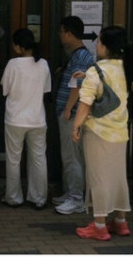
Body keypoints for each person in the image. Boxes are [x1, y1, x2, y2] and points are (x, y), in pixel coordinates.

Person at [71, 26, 132, 241]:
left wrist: (76, 126)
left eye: (98, 42)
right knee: (118, 177)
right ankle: (121, 222)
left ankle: (99, 226)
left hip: (98, 132)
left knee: (98, 179)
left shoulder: (96, 70)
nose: (96, 45)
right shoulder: (127, 68)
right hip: (121, 132)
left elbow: (85, 103)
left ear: (105, 46)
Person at [0, 28, 51, 209]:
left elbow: (4, 90)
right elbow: (46, 90)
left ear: (19, 46)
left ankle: (13, 197)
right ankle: (39, 198)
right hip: (37, 118)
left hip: (15, 118)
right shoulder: (43, 64)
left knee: (14, 159)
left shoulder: (13, 65)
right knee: (38, 158)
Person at [53, 16, 94, 214]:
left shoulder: (79, 57)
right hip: (74, 113)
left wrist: (68, 109)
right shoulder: (81, 55)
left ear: (69, 34)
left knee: (72, 157)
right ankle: (71, 193)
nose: (60, 36)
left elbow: (77, 86)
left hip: (73, 114)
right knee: (70, 156)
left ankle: (76, 198)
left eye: (61, 32)